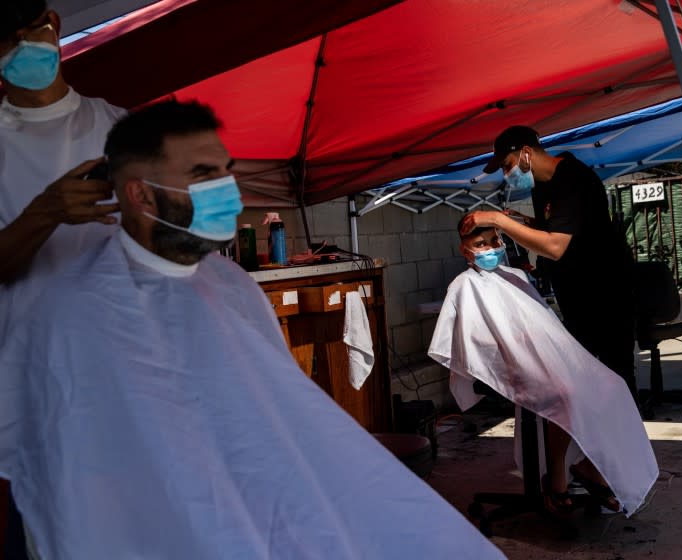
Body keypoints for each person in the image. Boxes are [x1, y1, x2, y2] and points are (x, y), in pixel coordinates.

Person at [0, 100, 505, 559]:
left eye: (225, 172)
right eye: (202, 175)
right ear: (141, 196)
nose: (227, 190)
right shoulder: (67, 311)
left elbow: (274, 414)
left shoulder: (229, 284)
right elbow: (69, 473)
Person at [0, 1, 126, 553]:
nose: (22, 50)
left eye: (27, 32)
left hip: (128, 377)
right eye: (4, 43)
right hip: (36, 388)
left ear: (52, 23)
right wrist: (45, 212)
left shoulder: (121, 129)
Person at [429, 214, 658, 516]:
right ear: (465, 250)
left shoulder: (517, 277)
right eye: (480, 244)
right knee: (567, 394)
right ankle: (557, 479)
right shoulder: (464, 285)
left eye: (495, 241)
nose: (490, 248)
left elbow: (545, 323)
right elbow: (470, 339)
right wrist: (517, 352)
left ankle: (591, 465)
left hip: (548, 355)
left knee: (612, 386)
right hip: (510, 362)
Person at [459, 126, 637, 397]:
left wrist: (498, 220)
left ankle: (626, 436)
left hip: (606, 293)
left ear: (526, 154)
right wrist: (522, 221)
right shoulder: (542, 185)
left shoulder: (572, 179)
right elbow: (551, 228)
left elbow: (554, 246)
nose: (507, 176)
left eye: (508, 166)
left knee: (615, 379)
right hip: (576, 295)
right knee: (578, 383)